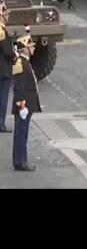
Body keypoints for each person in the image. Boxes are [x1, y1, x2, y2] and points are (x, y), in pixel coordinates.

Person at [11, 27, 42, 171]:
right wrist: (22, 106)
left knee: (22, 133)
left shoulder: (25, 62)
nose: (34, 49)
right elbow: (19, 87)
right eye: (31, 47)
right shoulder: (21, 64)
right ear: (26, 49)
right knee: (21, 134)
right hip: (24, 105)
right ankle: (20, 162)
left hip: (27, 104)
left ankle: (20, 160)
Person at [0, 0, 15, 133]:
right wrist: (14, 54)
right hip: (3, 69)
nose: (7, 17)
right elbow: (7, 51)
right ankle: (1, 123)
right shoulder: (2, 31)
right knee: (3, 98)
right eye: (6, 15)